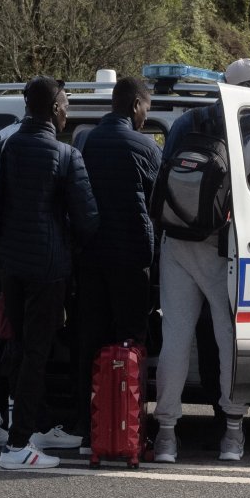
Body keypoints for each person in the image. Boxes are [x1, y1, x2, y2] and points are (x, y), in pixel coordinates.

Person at [152, 58, 250, 464]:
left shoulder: (185, 124)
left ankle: (165, 437)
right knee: (229, 340)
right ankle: (232, 435)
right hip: (224, 250)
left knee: (175, 340)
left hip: (176, 243)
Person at [0, 76, 99, 470]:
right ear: (54, 109)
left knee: (19, 347)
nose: (68, 112)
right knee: (36, 354)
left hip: (11, 264)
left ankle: (28, 427)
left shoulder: (7, 147)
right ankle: (18, 445)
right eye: (66, 105)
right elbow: (87, 219)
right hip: (48, 267)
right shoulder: (66, 155)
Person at [70, 76, 161, 444]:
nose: (145, 117)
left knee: (89, 343)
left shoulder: (84, 142)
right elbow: (159, 201)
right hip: (131, 260)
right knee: (131, 343)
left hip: (90, 258)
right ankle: (128, 428)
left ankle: (86, 426)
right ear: (135, 105)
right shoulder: (146, 146)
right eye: (146, 110)